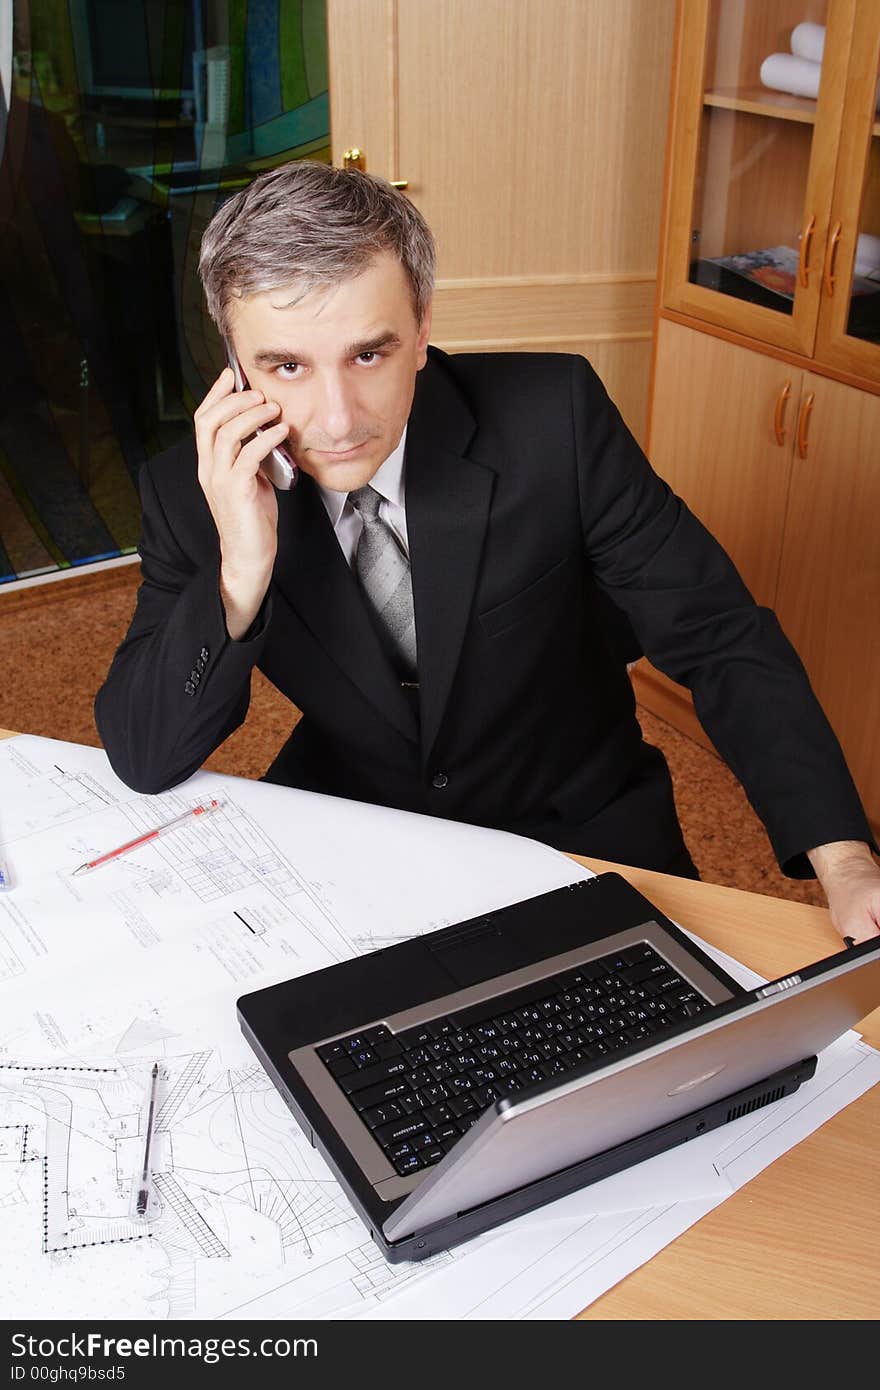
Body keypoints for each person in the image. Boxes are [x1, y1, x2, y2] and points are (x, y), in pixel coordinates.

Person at [94, 160, 880, 943]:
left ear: (424, 327)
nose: (336, 421)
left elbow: (719, 635)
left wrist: (845, 863)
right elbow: (144, 753)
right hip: (361, 833)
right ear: (234, 359)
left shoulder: (553, 418)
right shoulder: (192, 493)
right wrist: (240, 571)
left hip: (578, 823)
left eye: (369, 354)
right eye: (287, 366)